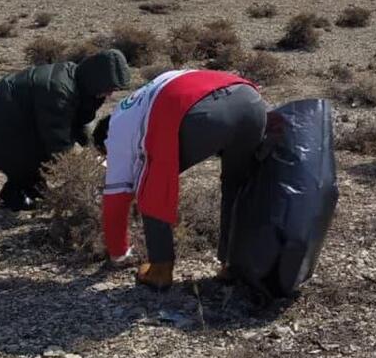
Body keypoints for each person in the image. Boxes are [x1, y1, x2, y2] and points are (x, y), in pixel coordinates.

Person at [93, 69, 268, 290]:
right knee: (237, 185)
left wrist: (118, 254)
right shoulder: (140, 101)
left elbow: (116, 199)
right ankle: (233, 265)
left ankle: (160, 270)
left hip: (202, 115)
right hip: (250, 101)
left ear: (105, 143)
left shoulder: (118, 128)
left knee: (151, 186)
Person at [0, 49, 129, 210]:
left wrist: (93, 150)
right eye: (109, 88)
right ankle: (15, 195)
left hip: (11, 113)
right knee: (32, 151)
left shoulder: (82, 85)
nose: (110, 95)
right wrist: (78, 173)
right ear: (97, 79)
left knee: (41, 152)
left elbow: (79, 123)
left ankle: (29, 189)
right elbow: (57, 139)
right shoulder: (58, 90)